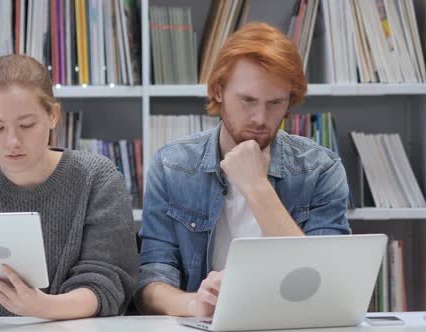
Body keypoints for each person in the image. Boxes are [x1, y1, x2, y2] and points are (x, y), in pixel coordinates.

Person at [135, 22, 351, 317]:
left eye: (275, 103)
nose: (260, 118)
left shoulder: (321, 170)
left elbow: (327, 285)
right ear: (219, 90)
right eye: (247, 100)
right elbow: (151, 281)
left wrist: (257, 187)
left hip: (294, 322)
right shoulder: (171, 165)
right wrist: (195, 304)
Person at [0, 54, 139, 319]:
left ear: (53, 115)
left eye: (27, 125)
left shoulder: (97, 178)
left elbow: (109, 282)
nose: (12, 141)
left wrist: (41, 307)